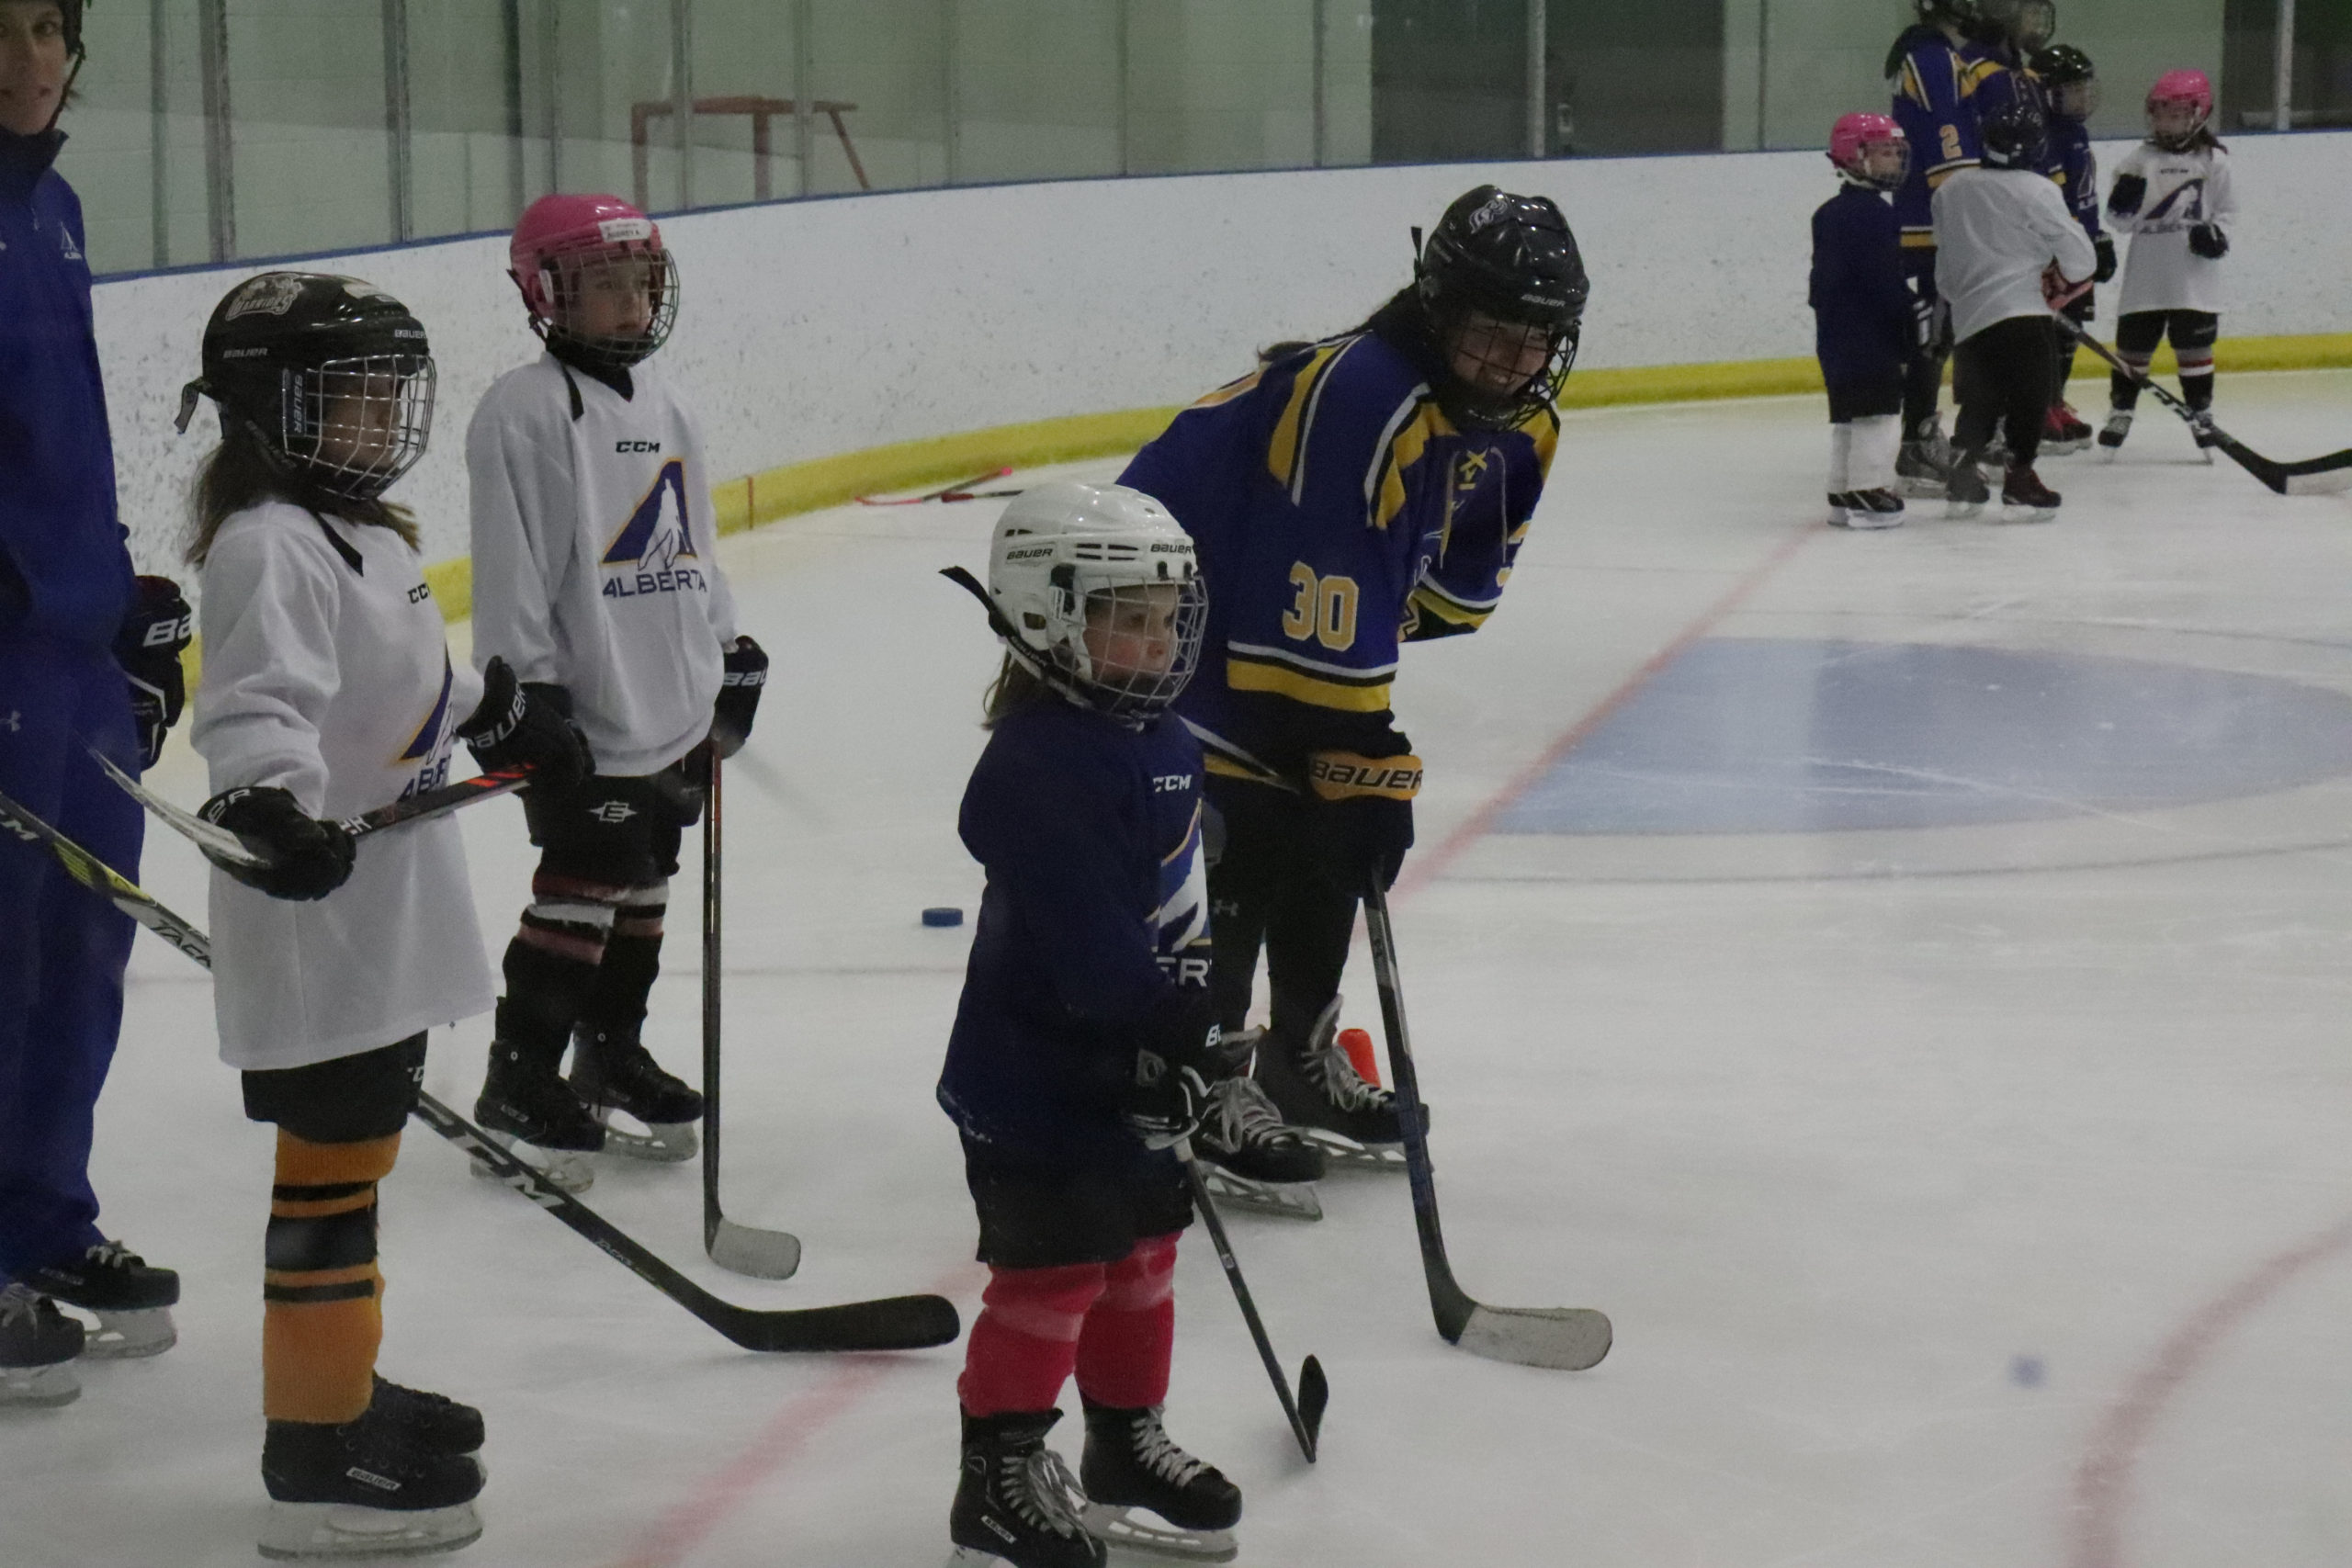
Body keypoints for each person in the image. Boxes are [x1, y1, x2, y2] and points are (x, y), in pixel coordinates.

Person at [179, 270, 587, 1559]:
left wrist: (497, 711)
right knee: (328, 1174)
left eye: (381, 392)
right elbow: (255, 703)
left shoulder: (369, 533)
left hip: (388, 914)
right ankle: (311, 1442)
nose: (374, 417)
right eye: (344, 394)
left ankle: (341, 1386)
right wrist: (266, 806)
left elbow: (411, 673)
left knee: (357, 1167)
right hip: (322, 925)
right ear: (265, 409)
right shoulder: (266, 544)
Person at [1118, 185, 1583, 1192]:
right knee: (1249, 819)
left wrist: (1351, 747)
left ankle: (1295, 1057)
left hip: (1255, 619)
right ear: (1438, 306)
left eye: (1534, 339)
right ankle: (1207, 1074)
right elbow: (1306, 625)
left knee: (1337, 812)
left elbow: (1448, 602)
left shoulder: (1521, 432)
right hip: (1154, 621)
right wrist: (1350, 741)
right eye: (1488, 333)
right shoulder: (1361, 395)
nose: (1510, 362)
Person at [938, 480, 1241, 1568]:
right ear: (1045, 613)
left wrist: (1193, 1024)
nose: (1159, 642)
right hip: (1039, 1079)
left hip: (1128, 1061)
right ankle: (1000, 1477)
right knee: (1054, 1273)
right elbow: (1088, 942)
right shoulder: (1036, 761)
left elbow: (1175, 907)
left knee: (1145, 1256)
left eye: (1168, 617)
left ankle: (1121, 1443)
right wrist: (1165, 1030)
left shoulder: (1160, 736)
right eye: (1129, 616)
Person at [467, 193, 766, 1189]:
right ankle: (519, 1076)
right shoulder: (522, 409)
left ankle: (609, 1053)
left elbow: (691, 541)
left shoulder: (671, 402)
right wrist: (523, 688)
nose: (631, 305)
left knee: (642, 886)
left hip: (668, 693)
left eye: (640, 283)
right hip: (583, 702)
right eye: (603, 288)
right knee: (581, 890)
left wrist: (728, 649)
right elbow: (510, 564)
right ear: (547, 294)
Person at [0, 0, 190, 1408]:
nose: (28, 61)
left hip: (68, 653)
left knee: (79, 952)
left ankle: (43, 1222)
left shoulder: (52, 205)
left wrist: (122, 598)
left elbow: (60, 432)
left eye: (47, 30)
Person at [1932, 96, 2097, 519]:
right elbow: (2082, 260)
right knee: (2030, 396)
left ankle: (1964, 476)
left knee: (1980, 399)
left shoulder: (1950, 190)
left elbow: (1945, 273)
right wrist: (2061, 279)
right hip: (2023, 313)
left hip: (1969, 317)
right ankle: (2020, 479)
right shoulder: (2038, 189)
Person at [1883, 0, 2001, 494]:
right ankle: (1917, 443)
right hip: (1931, 225)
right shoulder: (1932, 58)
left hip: (1933, 221)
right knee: (1933, 333)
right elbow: (1948, 143)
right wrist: (1968, 222)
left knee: (1941, 331)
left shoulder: (1938, 56)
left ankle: (1926, 436)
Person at [2098, 69, 2234, 459]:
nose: (2166, 123)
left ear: (2198, 114)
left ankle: (2201, 413)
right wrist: (2122, 202)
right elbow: (2121, 223)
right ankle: (2121, 410)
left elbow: (2228, 212)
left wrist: (2217, 236)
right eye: (2160, 114)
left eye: (2176, 115)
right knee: (2132, 351)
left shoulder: (2214, 162)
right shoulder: (2138, 160)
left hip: (2194, 280)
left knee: (2195, 350)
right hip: (2146, 278)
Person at [1811, 112, 1921, 530]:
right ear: (1854, 155)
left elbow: (1820, 286)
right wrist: (1908, 321)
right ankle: (1868, 489)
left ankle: (1841, 490)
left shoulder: (1829, 213)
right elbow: (1883, 283)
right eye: (1885, 152)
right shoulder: (1876, 214)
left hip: (1835, 334)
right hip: (1869, 335)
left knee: (1846, 414)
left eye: (1896, 151)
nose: (1895, 160)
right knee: (1878, 413)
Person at [2031, 42, 2115, 455]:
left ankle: (2055, 401)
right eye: (2072, 90)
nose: (2082, 98)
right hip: (2053, 255)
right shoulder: (2039, 137)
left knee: (2070, 333)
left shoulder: (2075, 133)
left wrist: (2099, 238)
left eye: (2084, 89)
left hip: (2079, 249)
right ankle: (2038, 406)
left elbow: (2086, 198)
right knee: (2045, 333)